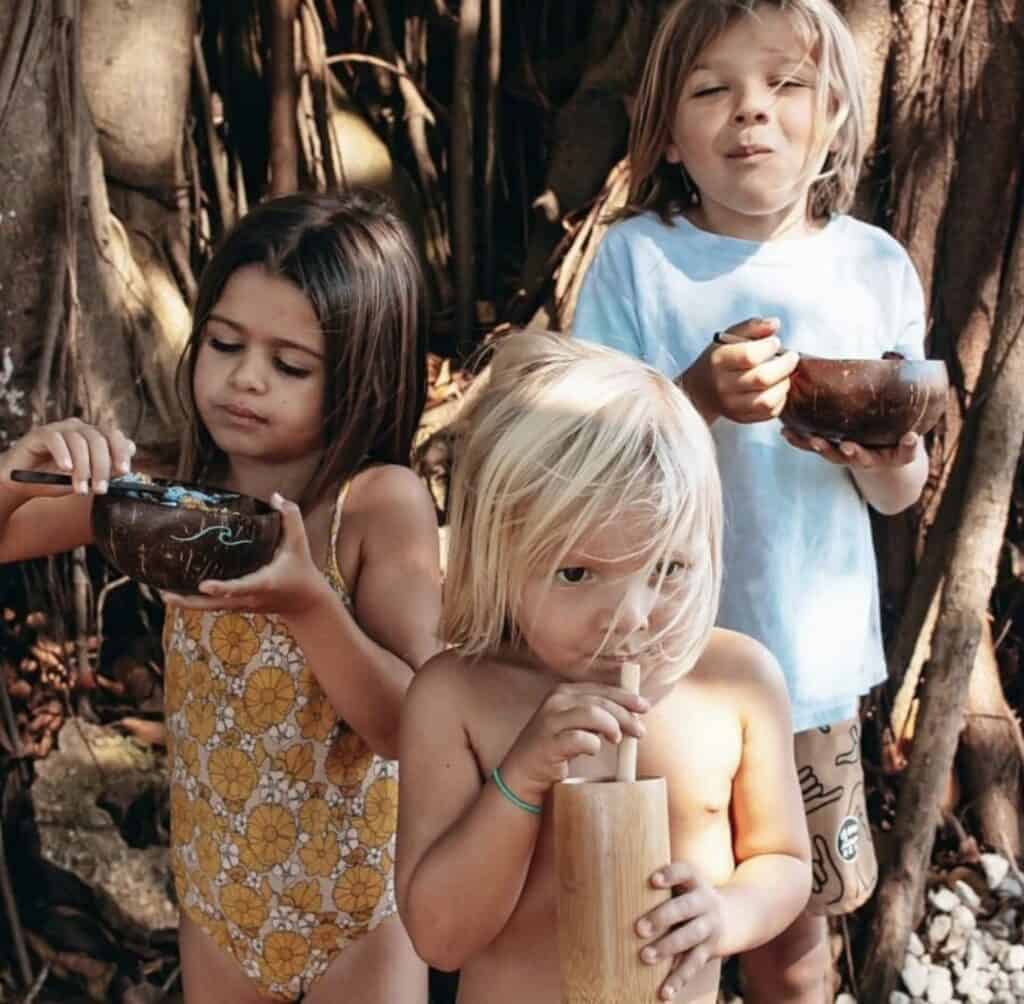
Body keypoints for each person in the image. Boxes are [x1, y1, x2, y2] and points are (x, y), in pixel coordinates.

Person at [0, 191, 442, 1004]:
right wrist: (14, 472)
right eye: (225, 343)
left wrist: (309, 606)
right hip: (218, 895)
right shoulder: (173, 495)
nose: (245, 380)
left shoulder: (378, 504)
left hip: (357, 910)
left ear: (362, 376)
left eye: (291, 365)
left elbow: (408, 727)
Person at [571, 1, 931, 1000]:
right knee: (646, 928)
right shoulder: (635, 261)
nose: (751, 113)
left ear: (833, 119)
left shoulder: (872, 266)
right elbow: (588, 460)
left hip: (807, 676)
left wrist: (881, 445)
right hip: (653, 670)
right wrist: (694, 395)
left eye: (784, 85)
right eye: (711, 89)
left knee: (792, 942)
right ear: (670, 134)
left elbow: (899, 494)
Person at [396, 330, 811, 1004]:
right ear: (500, 557)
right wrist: (521, 780)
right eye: (578, 572)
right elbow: (441, 939)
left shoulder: (739, 683)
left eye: (668, 568)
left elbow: (785, 862)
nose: (632, 615)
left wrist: (729, 914)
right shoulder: (457, 699)